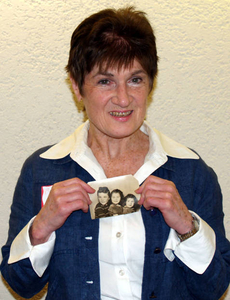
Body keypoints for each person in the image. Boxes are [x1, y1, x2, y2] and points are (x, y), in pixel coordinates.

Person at [1, 6, 230, 300]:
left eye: (135, 79)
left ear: (150, 84)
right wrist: (42, 226)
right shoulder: (42, 170)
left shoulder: (191, 171)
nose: (123, 98)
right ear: (77, 87)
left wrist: (187, 225)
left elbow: (215, 288)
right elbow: (20, 284)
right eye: (105, 81)